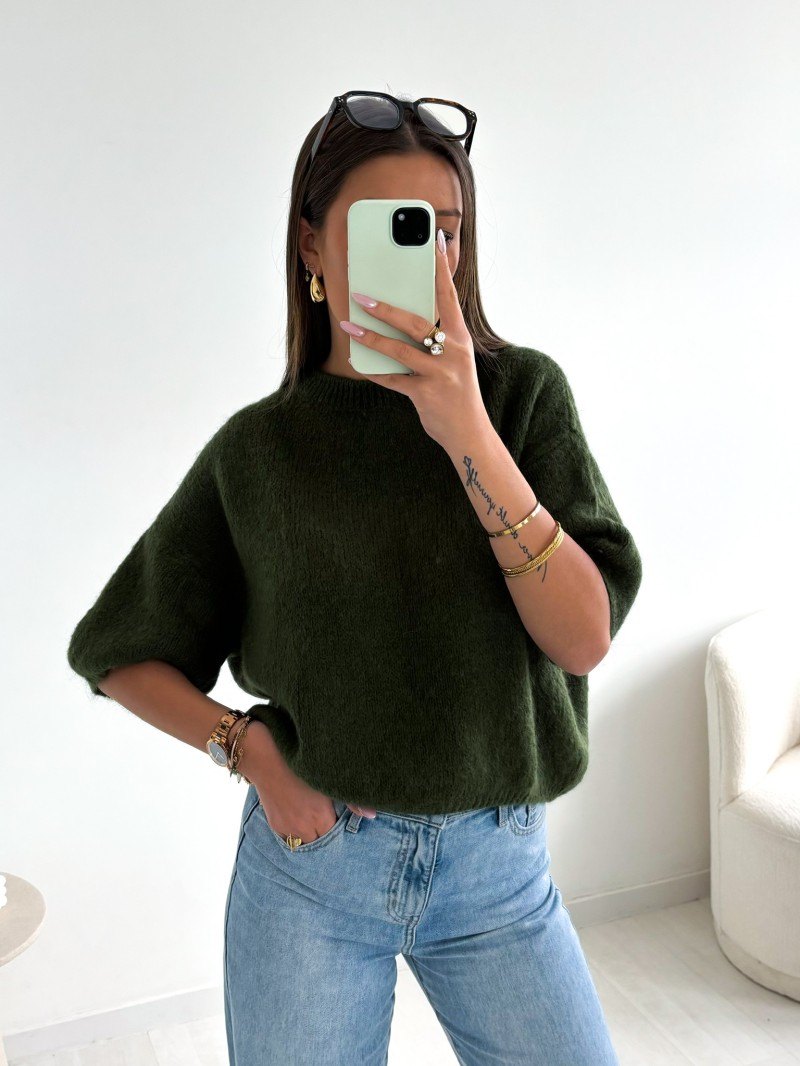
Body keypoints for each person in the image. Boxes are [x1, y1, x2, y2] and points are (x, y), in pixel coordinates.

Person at [67, 90, 643, 1065]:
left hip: (499, 872)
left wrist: (465, 430)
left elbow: (582, 637)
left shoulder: (521, 398)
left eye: (444, 231)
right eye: (394, 230)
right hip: (314, 872)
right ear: (312, 244)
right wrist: (248, 749)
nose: (431, 259)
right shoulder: (262, 450)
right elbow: (117, 652)